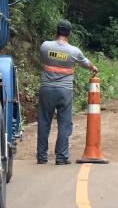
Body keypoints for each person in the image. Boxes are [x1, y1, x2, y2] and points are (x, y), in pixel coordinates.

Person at [37, 19, 97, 165]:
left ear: (56, 31)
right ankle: (61, 157)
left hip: (47, 90)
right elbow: (85, 63)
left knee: (44, 122)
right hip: (64, 91)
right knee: (64, 124)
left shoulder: (45, 47)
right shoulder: (74, 51)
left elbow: (44, 57)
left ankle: (42, 156)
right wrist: (93, 68)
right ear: (68, 33)